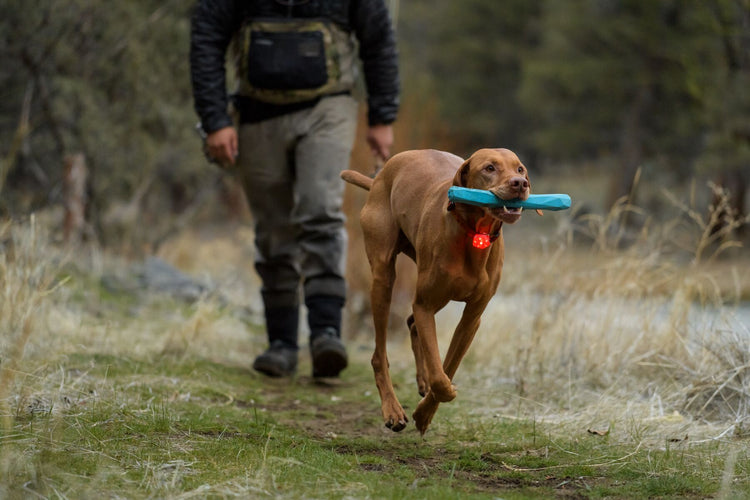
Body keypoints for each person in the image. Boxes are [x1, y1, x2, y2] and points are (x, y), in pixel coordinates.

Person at [189, 0, 399, 378]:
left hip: (328, 107)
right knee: (273, 227)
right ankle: (281, 343)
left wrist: (383, 115)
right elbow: (206, 37)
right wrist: (215, 119)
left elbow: (378, 37)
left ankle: (326, 333)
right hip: (256, 112)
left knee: (320, 211)